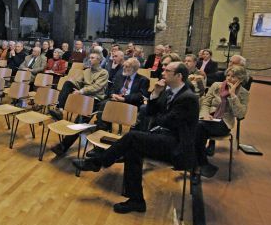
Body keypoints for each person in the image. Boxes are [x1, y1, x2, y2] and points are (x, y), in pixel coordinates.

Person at [73, 62, 199, 214]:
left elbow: (165, 121)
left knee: (132, 136)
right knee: (133, 150)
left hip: (177, 146)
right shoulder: (168, 91)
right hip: (163, 137)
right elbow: (151, 113)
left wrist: (158, 115)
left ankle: (97, 162)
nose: (163, 72)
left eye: (167, 70)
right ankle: (136, 201)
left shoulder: (188, 97)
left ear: (179, 76)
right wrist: (155, 94)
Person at [49, 52, 109, 155]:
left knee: (79, 122)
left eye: (93, 58)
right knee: (68, 83)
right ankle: (60, 109)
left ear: (99, 60)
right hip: (83, 97)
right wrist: (73, 82)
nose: (90, 60)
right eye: (90, 58)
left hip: (95, 99)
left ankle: (63, 146)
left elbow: (96, 87)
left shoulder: (104, 72)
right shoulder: (86, 71)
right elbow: (79, 82)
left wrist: (81, 91)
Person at [195, 65, 249, 178]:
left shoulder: (243, 93)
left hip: (223, 123)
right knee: (199, 127)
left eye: (233, 77)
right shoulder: (216, 86)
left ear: (241, 79)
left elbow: (240, 114)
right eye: (228, 75)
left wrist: (233, 95)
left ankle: (198, 163)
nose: (229, 79)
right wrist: (204, 114)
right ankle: (201, 163)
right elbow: (206, 102)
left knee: (198, 128)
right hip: (208, 119)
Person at [95, 58, 149, 132]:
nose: (124, 68)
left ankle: (105, 129)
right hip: (116, 99)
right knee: (103, 104)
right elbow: (112, 88)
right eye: (124, 66)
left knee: (107, 105)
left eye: (127, 67)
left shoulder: (143, 80)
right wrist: (113, 95)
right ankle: (102, 130)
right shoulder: (120, 76)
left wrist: (124, 98)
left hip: (130, 102)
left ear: (134, 69)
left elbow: (141, 95)